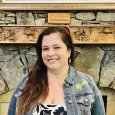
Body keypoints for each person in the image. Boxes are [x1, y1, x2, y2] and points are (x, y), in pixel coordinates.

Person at [8, 26, 105, 115]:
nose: (50, 53)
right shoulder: (25, 82)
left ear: (69, 51)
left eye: (57, 47)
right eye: (45, 49)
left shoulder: (87, 84)